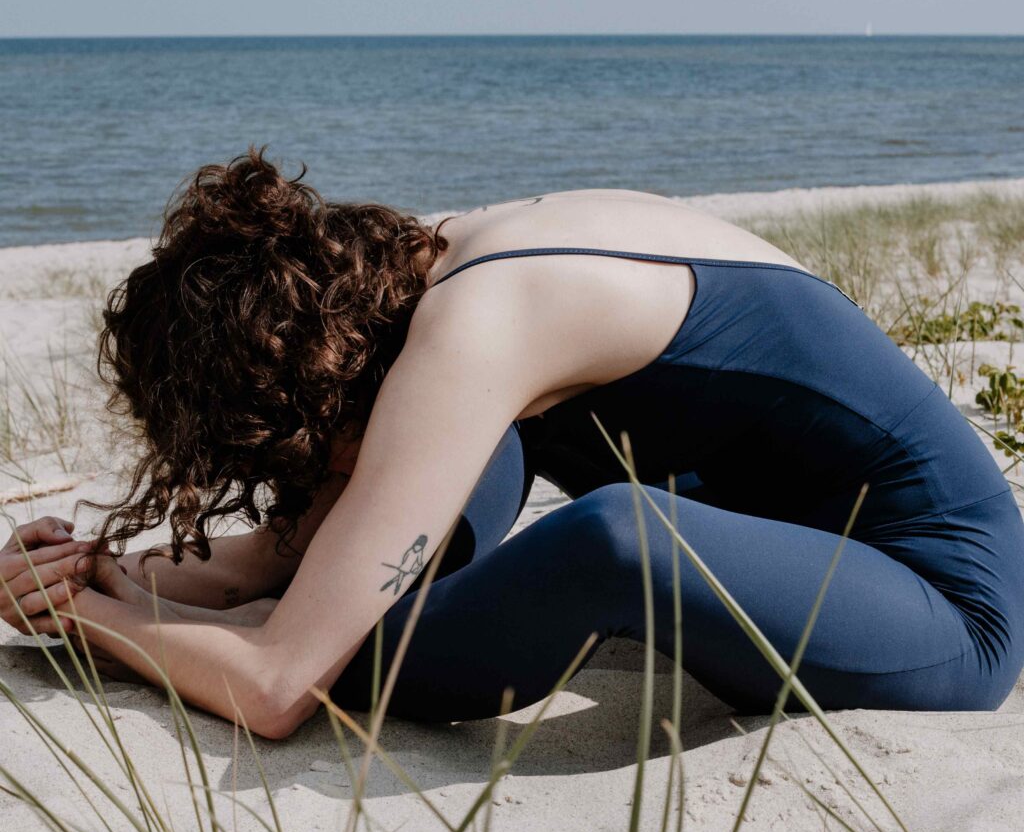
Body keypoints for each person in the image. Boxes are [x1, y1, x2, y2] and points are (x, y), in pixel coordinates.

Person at [2, 148, 1022, 738]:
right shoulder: (432, 274)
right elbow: (282, 556)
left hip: (937, 599)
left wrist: (94, 622)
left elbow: (274, 690)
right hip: (777, 535)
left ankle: (327, 629)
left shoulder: (481, 328)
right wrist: (97, 570)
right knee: (418, 501)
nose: (289, 480)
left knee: (615, 535)